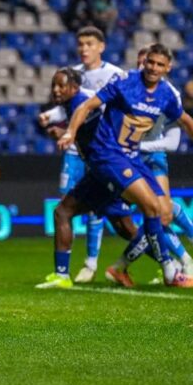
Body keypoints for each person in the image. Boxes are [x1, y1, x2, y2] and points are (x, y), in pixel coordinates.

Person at [56, 44, 193, 288]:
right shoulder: (125, 81)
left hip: (131, 157)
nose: (153, 68)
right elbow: (86, 106)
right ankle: (170, 268)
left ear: (168, 68)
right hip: (109, 155)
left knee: (158, 210)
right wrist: (70, 132)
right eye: (150, 62)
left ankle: (165, 262)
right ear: (144, 63)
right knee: (150, 207)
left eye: (159, 64)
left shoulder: (166, 94)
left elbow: (185, 120)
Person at [36, 68, 141, 289]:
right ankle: (61, 275)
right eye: (54, 85)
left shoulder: (82, 103)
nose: (56, 90)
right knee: (120, 226)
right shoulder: (71, 106)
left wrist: (68, 132)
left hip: (109, 169)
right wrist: (65, 131)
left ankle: (174, 261)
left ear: (74, 87)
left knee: (129, 225)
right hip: (99, 171)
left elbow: (92, 123)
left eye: (61, 85)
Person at [40, 26, 125, 283]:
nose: (84, 49)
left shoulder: (111, 78)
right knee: (75, 210)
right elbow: (76, 115)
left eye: (89, 43)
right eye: (80, 44)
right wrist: (58, 124)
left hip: (109, 161)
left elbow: (108, 111)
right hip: (90, 161)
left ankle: (171, 257)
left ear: (101, 46)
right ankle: (77, 268)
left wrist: (69, 133)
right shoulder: (74, 83)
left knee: (137, 217)